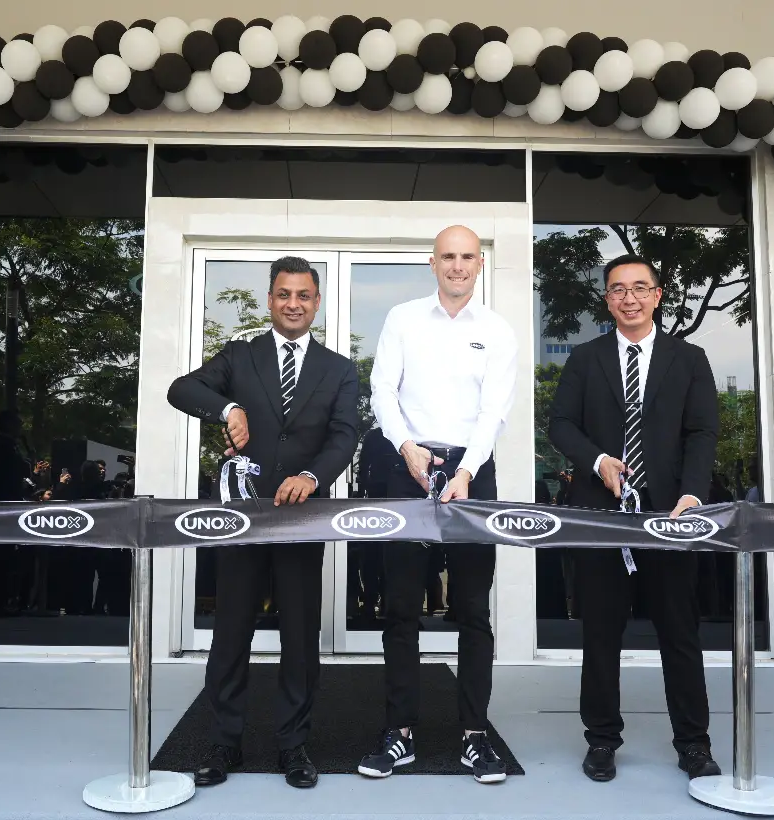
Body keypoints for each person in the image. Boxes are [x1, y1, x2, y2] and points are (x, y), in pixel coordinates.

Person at [166, 256, 359, 789]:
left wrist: (312, 477)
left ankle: (293, 746)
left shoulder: (340, 369)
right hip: (242, 519)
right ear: (270, 300)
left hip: (302, 517)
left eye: (303, 295)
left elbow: (344, 435)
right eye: (284, 294)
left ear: (316, 303)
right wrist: (228, 409)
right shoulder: (240, 355)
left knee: (299, 634)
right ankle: (223, 743)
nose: (293, 304)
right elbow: (181, 389)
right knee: (231, 631)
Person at [547, 253, 721, 783]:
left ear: (658, 295)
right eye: (618, 289)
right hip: (603, 519)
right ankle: (601, 739)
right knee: (601, 634)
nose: (630, 298)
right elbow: (560, 424)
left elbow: (702, 432)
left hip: (671, 515)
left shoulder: (689, 359)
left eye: (640, 288)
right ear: (607, 300)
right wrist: (598, 460)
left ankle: (693, 743)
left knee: (679, 633)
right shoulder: (586, 358)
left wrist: (692, 494)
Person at [358, 225, 518, 785]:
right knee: (401, 605)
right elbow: (383, 390)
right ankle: (399, 732)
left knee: (472, 609)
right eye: (447, 256)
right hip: (406, 468)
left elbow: (494, 411)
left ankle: (475, 736)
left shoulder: (497, 330)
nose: (457, 266)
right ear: (432, 263)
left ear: (479, 264)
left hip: (473, 472)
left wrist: (466, 471)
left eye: (467, 256)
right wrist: (406, 448)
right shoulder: (402, 318)